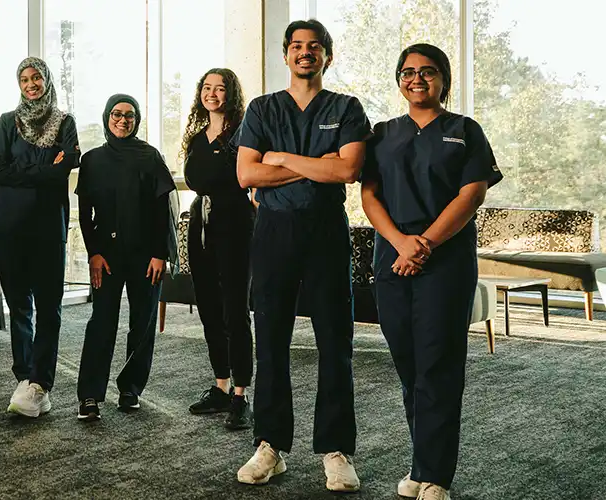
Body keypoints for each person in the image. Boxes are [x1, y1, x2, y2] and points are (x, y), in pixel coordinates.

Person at [234, 19, 370, 492]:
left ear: (327, 56)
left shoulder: (346, 108)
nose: (305, 53)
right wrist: (318, 166)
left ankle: (336, 450)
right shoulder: (263, 108)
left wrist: (282, 159)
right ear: (286, 55)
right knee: (270, 339)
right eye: (296, 46)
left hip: (326, 233)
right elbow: (246, 176)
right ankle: (270, 446)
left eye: (314, 47)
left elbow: (349, 169)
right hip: (274, 232)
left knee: (336, 340)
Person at [361, 44, 502, 500]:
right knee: (408, 365)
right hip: (392, 259)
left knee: (438, 365)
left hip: (444, 262)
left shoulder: (465, 130)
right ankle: (420, 464)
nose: (416, 79)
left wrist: (423, 244)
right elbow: (368, 196)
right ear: (398, 79)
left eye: (427, 72)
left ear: (443, 78)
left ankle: (435, 474)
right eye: (407, 72)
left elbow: (471, 195)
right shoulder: (382, 133)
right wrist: (401, 244)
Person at [0, 57, 80, 418]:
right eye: (25, 78)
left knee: (49, 307)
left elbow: (63, 169)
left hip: (47, 229)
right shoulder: (7, 123)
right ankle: (25, 378)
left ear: (47, 79)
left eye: (37, 77)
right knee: (19, 305)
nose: (31, 84)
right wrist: (44, 168)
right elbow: (2, 174)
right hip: (9, 229)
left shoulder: (65, 123)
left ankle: (40, 383)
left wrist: (30, 170)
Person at [74, 94, 176, 421]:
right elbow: (85, 213)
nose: (122, 120)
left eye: (130, 116)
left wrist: (161, 255)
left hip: (147, 256)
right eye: (116, 114)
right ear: (106, 117)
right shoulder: (92, 160)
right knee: (101, 323)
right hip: (107, 257)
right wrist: (93, 254)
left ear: (137, 120)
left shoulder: (150, 157)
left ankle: (130, 388)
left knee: (142, 324)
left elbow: (164, 212)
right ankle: (89, 395)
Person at [182, 68, 256, 430]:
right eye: (207, 88)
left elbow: (240, 178)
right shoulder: (198, 137)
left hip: (235, 223)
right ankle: (221, 386)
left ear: (231, 94)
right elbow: (197, 179)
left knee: (235, 312)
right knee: (209, 308)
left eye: (220, 88)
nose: (212, 94)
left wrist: (217, 175)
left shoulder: (243, 133)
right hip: (202, 223)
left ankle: (242, 394)